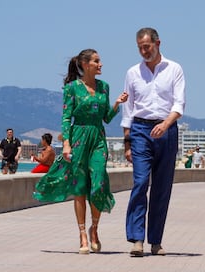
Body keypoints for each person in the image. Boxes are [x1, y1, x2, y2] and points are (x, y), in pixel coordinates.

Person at [34, 48, 128, 254]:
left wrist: (116, 105)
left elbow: (106, 118)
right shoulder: (72, 88)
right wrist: (66, 144)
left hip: (98, 138)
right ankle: (83, 234)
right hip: (78, 138)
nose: (101, 64)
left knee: (99, 183)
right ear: (85, 64)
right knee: (79, 187)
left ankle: (95, 229)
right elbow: (66, 117)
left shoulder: (104, 87)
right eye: (97, 61)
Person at [120, 27, 185, 257]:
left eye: (146, 46)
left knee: (161, 187)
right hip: (140, 130)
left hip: (167, 130)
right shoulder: (132, 73)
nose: (143, 51)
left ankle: (155, 241)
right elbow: (127, 111)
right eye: (139, 47)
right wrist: (127, 143)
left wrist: (165, 125)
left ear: (158, 43)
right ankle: (137, 239)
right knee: (139, 183)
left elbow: (179, 104)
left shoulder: (174, 69)